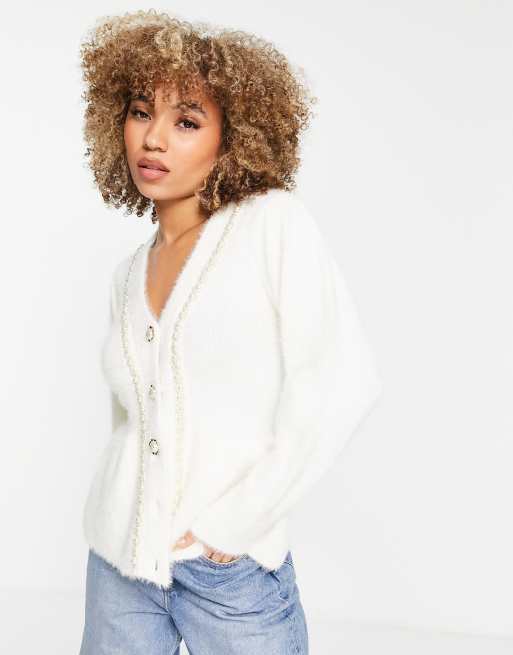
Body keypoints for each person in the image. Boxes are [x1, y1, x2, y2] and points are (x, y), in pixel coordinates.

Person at [78, 10, 383, 655]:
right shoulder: (126, 275)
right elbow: (133, 422)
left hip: (230, 573)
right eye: (140, 113)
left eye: (187, 122)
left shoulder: (272, 227)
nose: (153, 139)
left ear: (234, 138)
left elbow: (343, 384)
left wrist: (234, 525)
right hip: (119, 567)